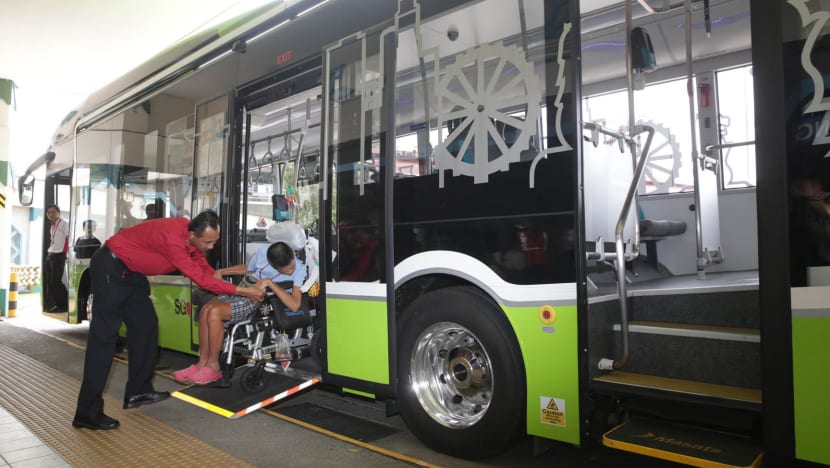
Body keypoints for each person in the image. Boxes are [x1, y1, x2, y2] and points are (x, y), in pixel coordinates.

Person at [72, 210, 265, 431]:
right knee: (103, 340)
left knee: (146, 327)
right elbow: (200, 279)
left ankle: (138, 390)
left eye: (214, 241)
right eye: (208, 242)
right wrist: (242, 291)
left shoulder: (189, 236)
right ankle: (87, 412)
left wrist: (223, 279)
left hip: (132, 275)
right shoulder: (173, 240)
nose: (211, 246)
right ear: (192, 235)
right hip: (110, 269)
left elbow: (202, 266)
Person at [173, 241, 306, 385]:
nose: (290, 271)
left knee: (215, 313)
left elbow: (294, 305)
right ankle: (202, 363)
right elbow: (248, 269)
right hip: (245, 288)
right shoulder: (263, 252)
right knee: (206, 309)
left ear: (293, 255)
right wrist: (222, 271)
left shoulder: (300, 269)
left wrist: (269, 282)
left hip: (260, 299)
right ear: (273, 264)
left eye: (291, 266)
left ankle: (213, 367)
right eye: (284, 270)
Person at [44, 204, 69, 312]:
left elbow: (68, 239)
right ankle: (57, 304)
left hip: (59, 255)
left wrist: (64, 253)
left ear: (59, 213)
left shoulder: (64, 224)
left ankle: (64, 305)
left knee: (56, 281)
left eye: (53, 212)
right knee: (50, 282)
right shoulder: (52, 226)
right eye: (49, 212)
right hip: (51, 255)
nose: (51, 214)